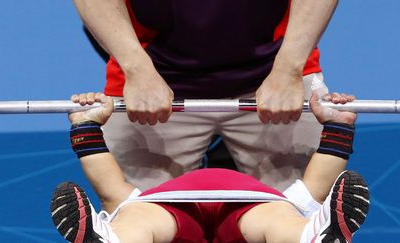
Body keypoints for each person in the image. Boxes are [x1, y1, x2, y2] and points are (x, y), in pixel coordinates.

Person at [72, 0, 339, 191]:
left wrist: (289, 68)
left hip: (277, 76)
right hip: (149, 78)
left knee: (304, 217)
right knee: (133, 217)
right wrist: (137, 69)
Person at [50, 91, 369, 242]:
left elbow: (110, 190)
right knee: (286, 218)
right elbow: (318, 184)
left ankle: (113, 240)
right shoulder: (275, 207)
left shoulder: (148, 207)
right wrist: (339, 126)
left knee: (132, 216)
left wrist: (86, 126)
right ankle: (309, 238)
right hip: (255, 216)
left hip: (166, 216)